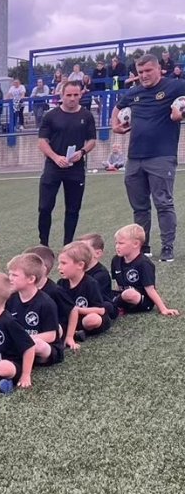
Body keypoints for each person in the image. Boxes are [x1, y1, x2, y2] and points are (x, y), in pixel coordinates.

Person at [110, 52, 185, 261]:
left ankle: (167, 247)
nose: (143, 75)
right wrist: (114, 125)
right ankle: (143, 247)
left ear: (159, 69)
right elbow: (117, 107)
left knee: (163, 203)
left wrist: (181, 115)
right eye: (140, 72)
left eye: (148, 70)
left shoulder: (174, 87)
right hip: (134, 158)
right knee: (140, 207)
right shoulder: (134, 93)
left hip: (161, 157)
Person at [36, 80, 97, 246]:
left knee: (73, 209)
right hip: (53, 167)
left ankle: (68, 245)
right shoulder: (51, 116)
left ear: (80, 95)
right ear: (61, 95)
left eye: (75, 95)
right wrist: (55, 157)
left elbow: (92, 140)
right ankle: (44, 244)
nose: (72, 98)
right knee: (45, 207)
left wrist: (82, 152)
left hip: (75, 168)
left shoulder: (86, 116)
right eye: (68, 95)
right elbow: (42, 141)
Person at [5, 252, 62, 369]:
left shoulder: (46, 302)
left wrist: (23, 339)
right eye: (9, 274)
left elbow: (51, 335)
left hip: (45, 349)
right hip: (19, 344)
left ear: (31, 279)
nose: (10, 278)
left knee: (37, 345)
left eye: (15, 275)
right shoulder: (10, 299)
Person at [110, 224, 178, 317]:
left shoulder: (144, 263)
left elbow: (150, 290)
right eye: (116, 243)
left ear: (136, 244)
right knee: (103, 292)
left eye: (121, 243)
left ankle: (113, 307)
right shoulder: (116, 260)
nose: (117, 246)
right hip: (123, 297)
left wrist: (163, 309)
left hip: (143, 301)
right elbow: (119, 285)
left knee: (129, 294)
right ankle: (116, 306)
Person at [57, 241, 112, 349]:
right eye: (59, 263)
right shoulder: (61, 284)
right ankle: (75, 334)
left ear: (80, 265)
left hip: (85, 319)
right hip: (70, 321)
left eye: (63, 263)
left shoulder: (90, 283)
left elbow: (100, 310)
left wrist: (77, 310)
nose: (59, 267)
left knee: (92, 319)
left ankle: (77, 333)